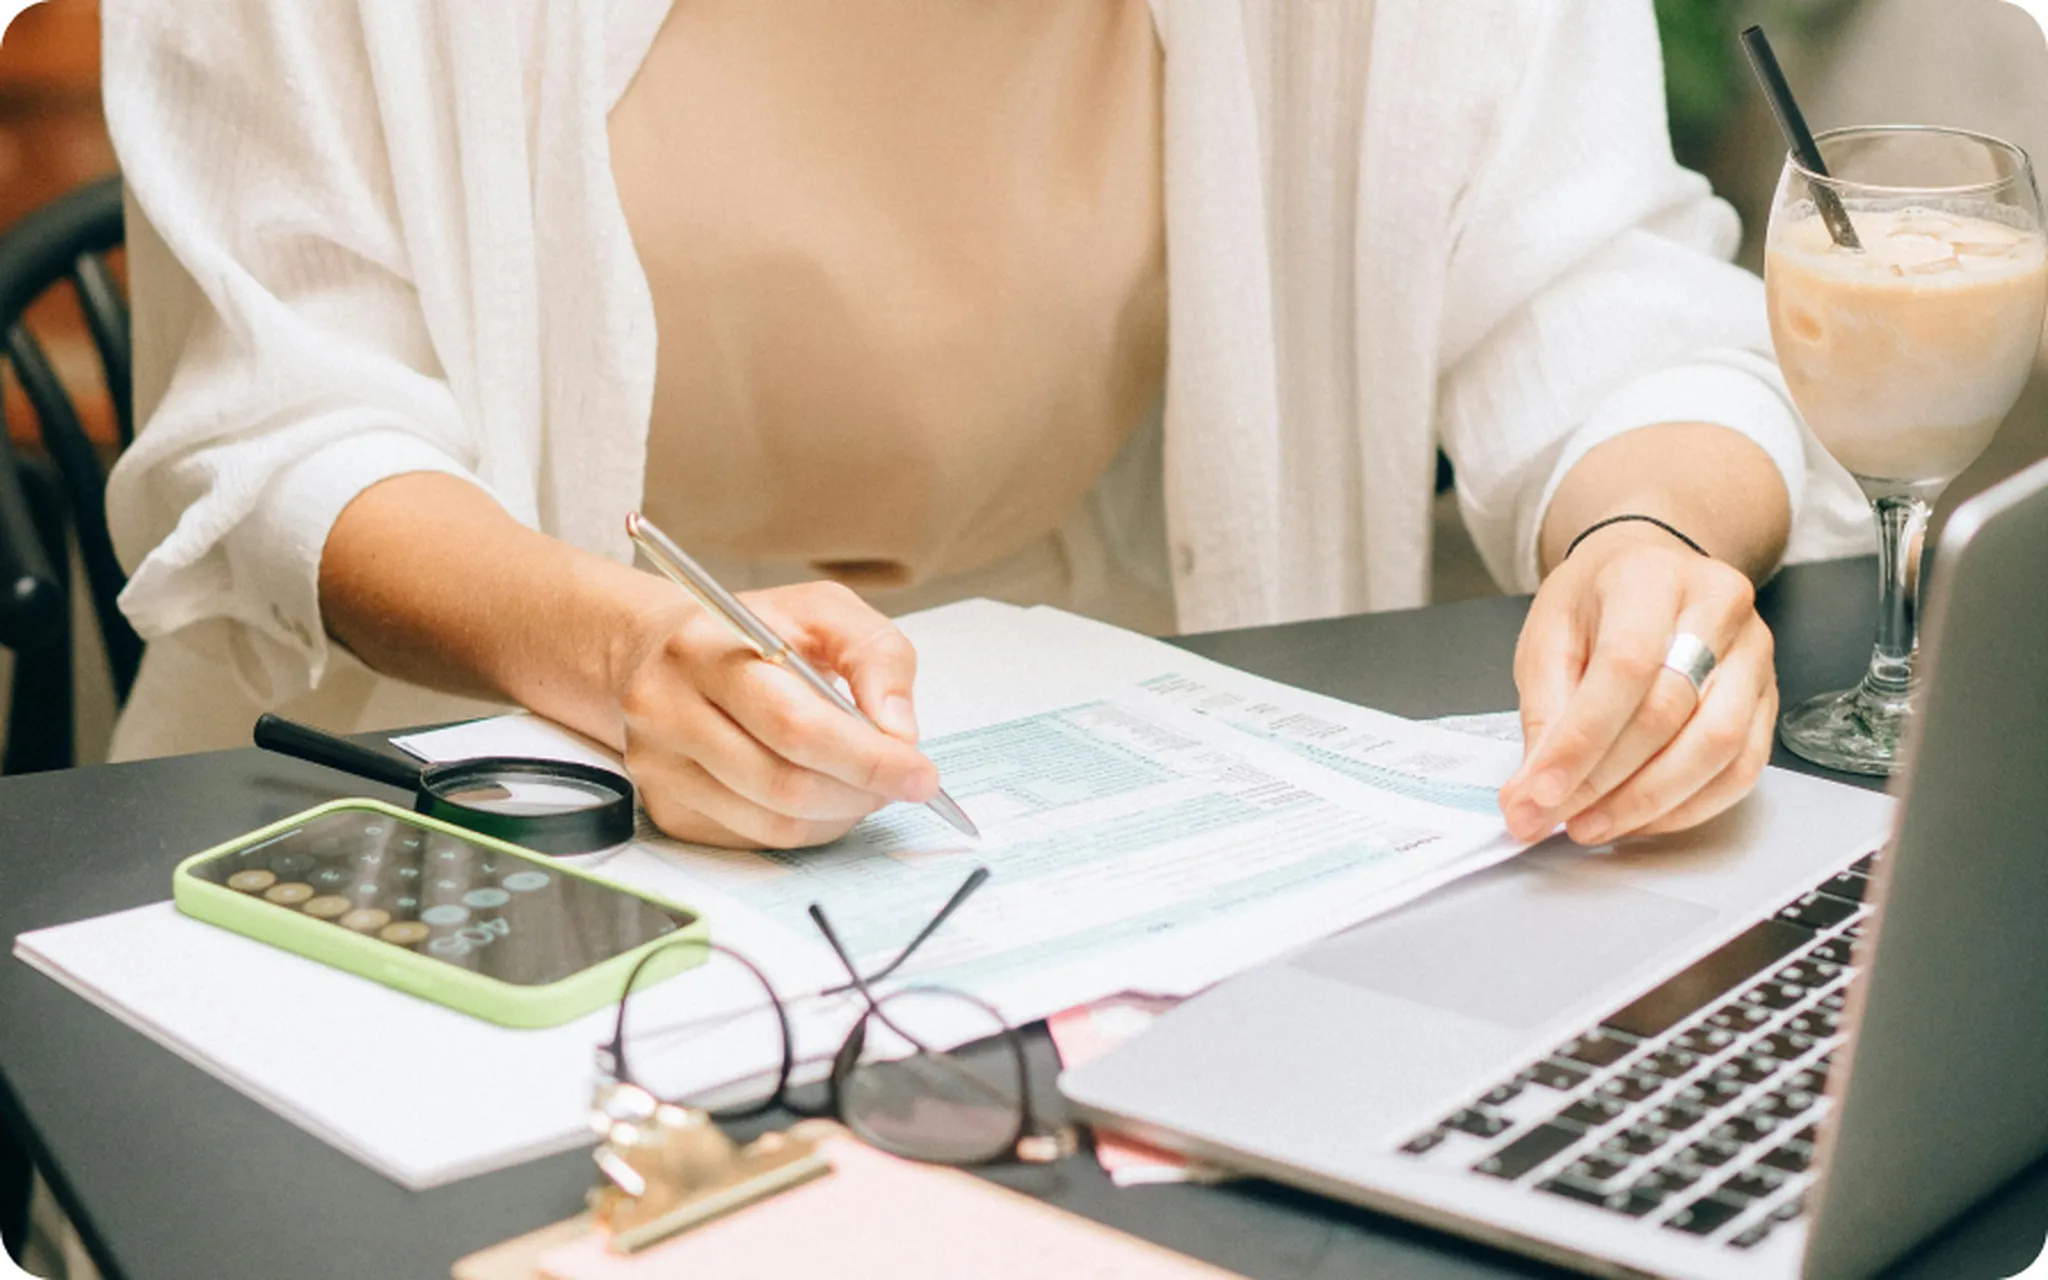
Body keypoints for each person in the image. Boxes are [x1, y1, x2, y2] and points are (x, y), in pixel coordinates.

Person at [99, 0, 1867, 852]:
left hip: (1077, 783)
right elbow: (280, 429)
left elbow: (1604, 296)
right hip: (473, 768)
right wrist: (621, 658)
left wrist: (1653, 541)